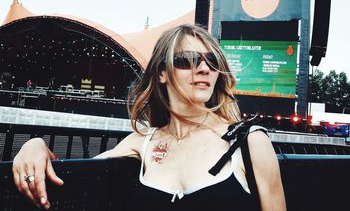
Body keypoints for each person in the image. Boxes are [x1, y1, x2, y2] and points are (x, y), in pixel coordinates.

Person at [12, 24, 286, 210]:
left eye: (212, 61)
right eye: (188, 60)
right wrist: (35, 145)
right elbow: (72, 174)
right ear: (162, 74)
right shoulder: (141, 142)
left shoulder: (249, 143)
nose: (203, 68)